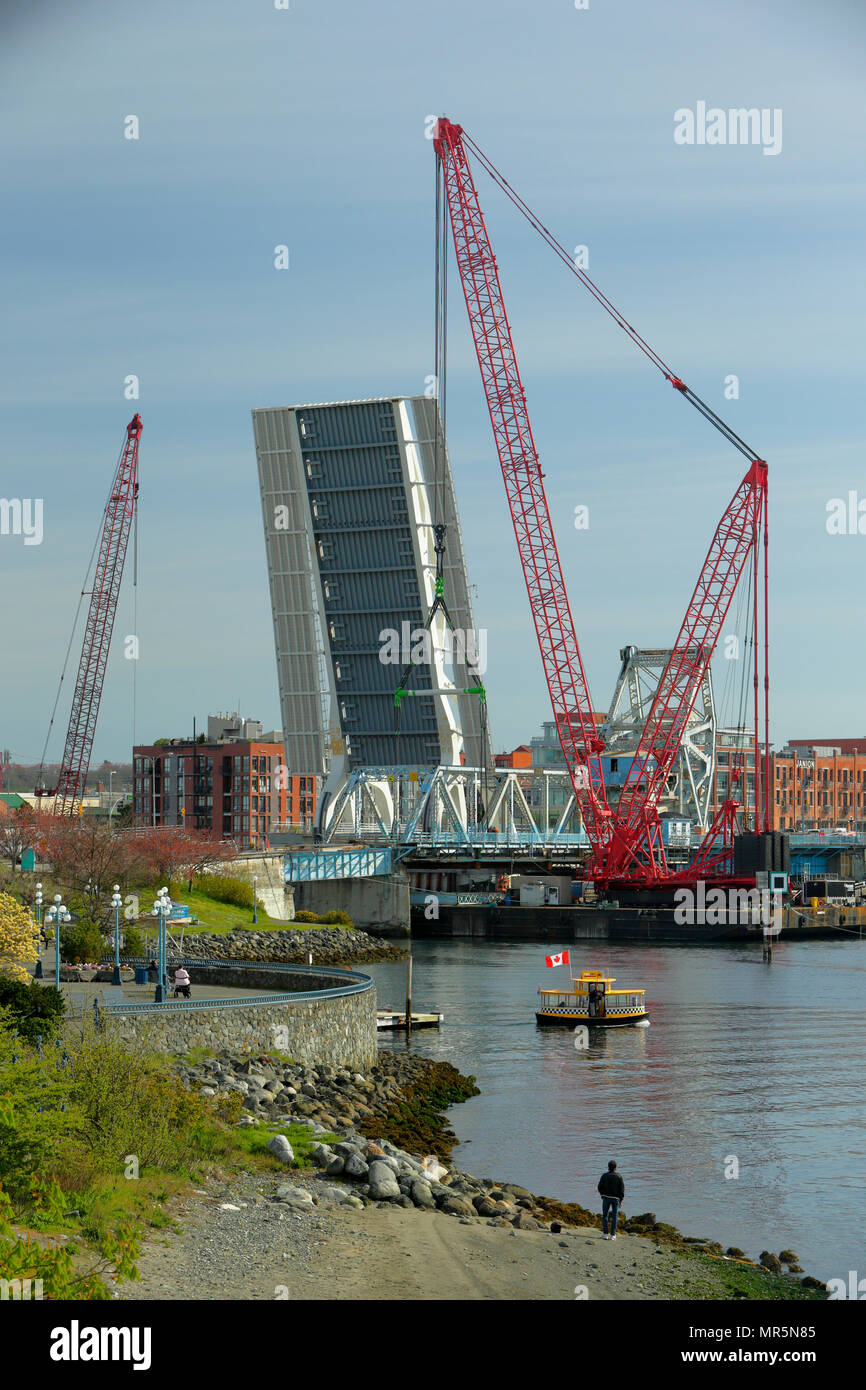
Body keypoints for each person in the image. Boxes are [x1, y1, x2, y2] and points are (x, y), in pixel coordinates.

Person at [597, 1159, 625, 1240]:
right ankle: (613, 1235)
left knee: (605, 1215)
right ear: (615, 1167)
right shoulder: (619, 1176)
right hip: (616, 1198)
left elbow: (599, 1187)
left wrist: (602, 1194)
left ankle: (605, 1234)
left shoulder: (604, 1176)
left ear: (608, 1167)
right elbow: (622, 1189)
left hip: (606, 1197)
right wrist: (621, 1200)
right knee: (614, 1216)